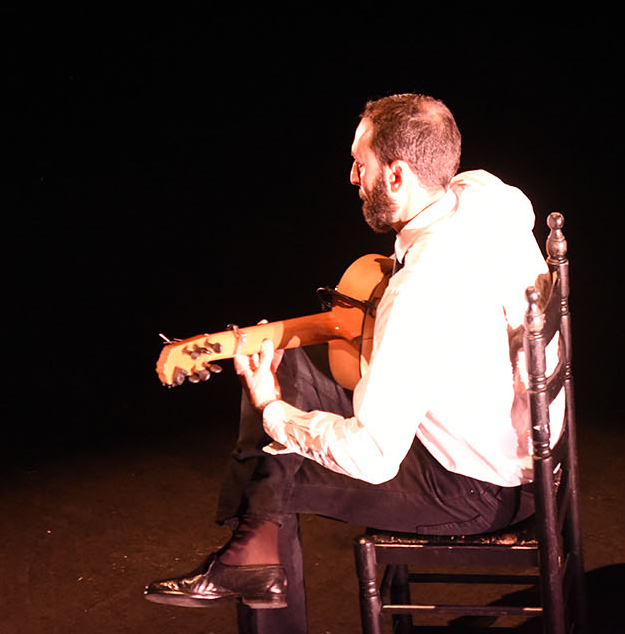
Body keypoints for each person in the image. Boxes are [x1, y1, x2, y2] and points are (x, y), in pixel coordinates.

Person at [143, 94, 561, 632]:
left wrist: (271, 409)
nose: (351, 178)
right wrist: (239, 355)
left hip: (476, 490)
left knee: (275, 467)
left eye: (359, 164)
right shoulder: (484, 194)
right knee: (297, 369)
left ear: (396, 174)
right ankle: (251, 555)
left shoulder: (420, 290)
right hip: (524, 452)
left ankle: (252, 558)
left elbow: (374, 457)